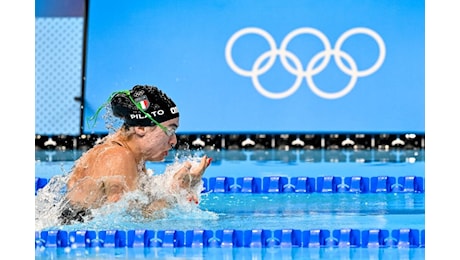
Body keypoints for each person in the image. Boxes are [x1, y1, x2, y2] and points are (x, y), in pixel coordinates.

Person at [59, 85, 212, 224]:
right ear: (140, 127)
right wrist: (177, 191)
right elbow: (129, 221)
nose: (173, 141)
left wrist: (183, 187)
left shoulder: (127, 155)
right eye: (169, 130)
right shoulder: (118, 157)